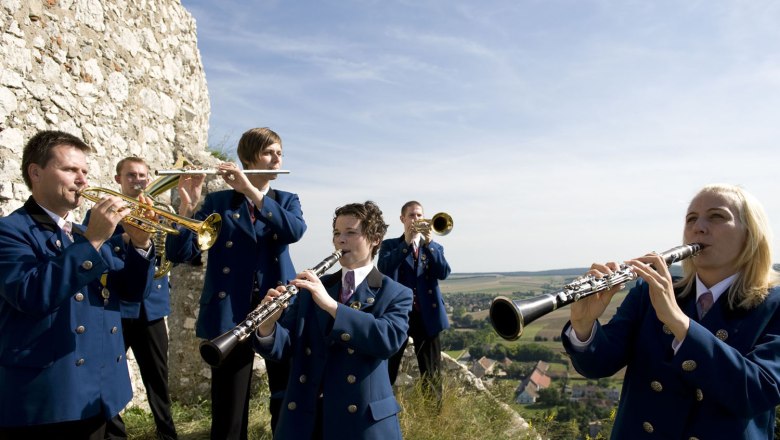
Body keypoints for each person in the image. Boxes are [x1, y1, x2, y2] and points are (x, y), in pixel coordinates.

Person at [562, 183, 780, 439]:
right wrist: (584, 325)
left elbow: (756, 392)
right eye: (691, 219)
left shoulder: (773, 306)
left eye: (717, 216)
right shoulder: (647, 292)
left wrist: (679, 323)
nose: (698, 227)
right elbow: (599, 365)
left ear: (750, 234)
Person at [0, 130, 156, 439]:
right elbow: (32, 295)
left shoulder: (84, 232)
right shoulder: (10, 232)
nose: (83, 180)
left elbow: (131, 293)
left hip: (103, 394)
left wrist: (139, 246)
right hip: (51, 399)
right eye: (71, 170)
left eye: (84, 171)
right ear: (35, 172)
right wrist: (96, 239)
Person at [167, 127, 306, 440]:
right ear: (249, 157)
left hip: (278, 310)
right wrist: (186, 208)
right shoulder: (218, 202)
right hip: (230, 313)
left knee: (284, 402)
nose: (277, 158)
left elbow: (294, 231)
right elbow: (181, 253)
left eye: (279, 153)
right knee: (229, 411)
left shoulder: (286, 200)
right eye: (270, 152)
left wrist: (251, 192)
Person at [254, 201, 412, 439]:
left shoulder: (396, 293)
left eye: (351, 233)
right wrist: (267, 326)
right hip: (308, 417)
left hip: (360, 423)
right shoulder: (316, 287)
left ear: (375, 238)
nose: (340, 240)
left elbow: (387, 341)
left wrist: (331, 306)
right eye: (337, 233)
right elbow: (286, 347)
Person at [85, 157, 178, 440]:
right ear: (118, 180)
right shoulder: (99, 213)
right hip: (117, 308)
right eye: (131, 176)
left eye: (142, 176)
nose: (138, 181)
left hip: (151, 308)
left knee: (158, 379)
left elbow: (178, 252)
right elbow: (92, 247)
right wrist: (124, 239)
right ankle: (115, 433)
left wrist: (185, 209)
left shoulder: (159, 212)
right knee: (107, 374)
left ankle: (167, 434)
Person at [379, 201, 451, 398]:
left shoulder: (434, 247)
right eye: (412, 215)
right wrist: (406, 245)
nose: (416, 219)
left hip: (427, 315)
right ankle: (382, 408)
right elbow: (384, 269)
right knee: (388, 368)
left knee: (432, 373)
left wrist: (429, 244)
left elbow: (443, 272)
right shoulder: (391, 245)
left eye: (419, 215)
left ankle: (434, 418)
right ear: (402, 219)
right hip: (398, 316)